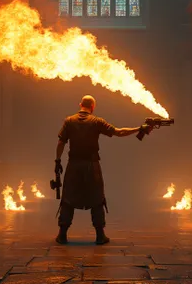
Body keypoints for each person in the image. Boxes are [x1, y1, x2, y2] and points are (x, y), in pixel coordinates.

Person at [54, 95, 153, 245]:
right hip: (91, 166)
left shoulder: (69, 121)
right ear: (93, 107)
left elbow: (61, 142)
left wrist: (57, 161)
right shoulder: (97, 122)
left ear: (80, 104)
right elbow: (119, 132)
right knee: (97, 199)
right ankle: (100, 236)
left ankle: (62, 235)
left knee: (68, 199)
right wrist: (139, 128)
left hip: (73, 165)